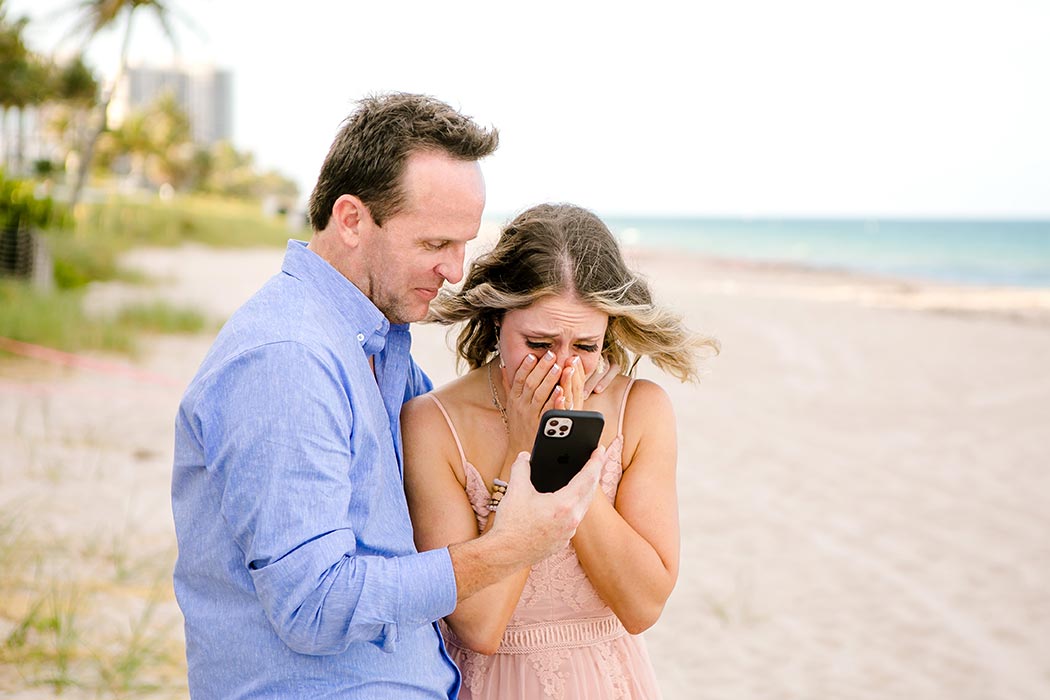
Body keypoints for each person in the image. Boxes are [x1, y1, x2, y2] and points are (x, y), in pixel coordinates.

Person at [171, 94, 615, 699]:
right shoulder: (288, 360)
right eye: (435, 245)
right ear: (351, 219)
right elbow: (313, 606)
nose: (456, 271)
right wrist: (513, 547)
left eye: (464, 244)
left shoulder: (379, 342)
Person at [401, 203, 718, 699]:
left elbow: (642, 607)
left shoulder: (642, 410)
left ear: (609, 332)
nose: (563, 367)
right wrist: (524, 451)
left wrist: (564, 454)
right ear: (498, 318)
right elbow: (479, 627)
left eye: (586, 347)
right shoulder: (431, 423)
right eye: (539, 342)